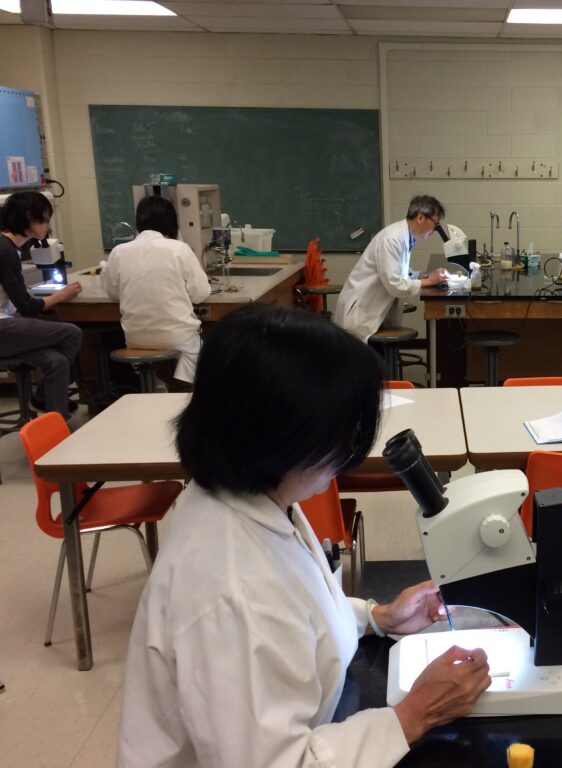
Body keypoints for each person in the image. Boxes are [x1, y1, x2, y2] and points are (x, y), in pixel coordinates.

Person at [118, 305, 490, 768]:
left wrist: (377, 618)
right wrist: (413, 714)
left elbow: (296, 614)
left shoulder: (253, 499)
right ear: (285, 436)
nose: (352, 443)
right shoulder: (230, 591)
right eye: (343, 429)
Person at [102, 195, 211, 385]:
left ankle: (157, 385)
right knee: (206, 355)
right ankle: (182, 392)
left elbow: (112, 293)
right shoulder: (180, 249)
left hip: (135, 339)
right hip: (179, 338)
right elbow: (200, 293)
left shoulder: (119, 252)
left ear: (139, 222)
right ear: (171, 222)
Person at [0, 191, 82, 418]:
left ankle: (50, 410)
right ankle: (51, 406)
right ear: (28, 217)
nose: (47, 226)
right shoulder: (6, 251)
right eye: (44, 219)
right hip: (2, 328)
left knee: (56, 362)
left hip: (7, 326)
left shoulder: (8, 248)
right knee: (71, 333)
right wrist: (62, 295)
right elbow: (27, 306)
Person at [336, 196, 448, 342]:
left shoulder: (405, 237)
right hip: (360, 314)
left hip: (374, 311)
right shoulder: (391, 239)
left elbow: (398, 272)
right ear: (420, 217)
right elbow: (395, 285)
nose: (435, 229)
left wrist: (421, 275)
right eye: (435, 223)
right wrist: (429, 280)